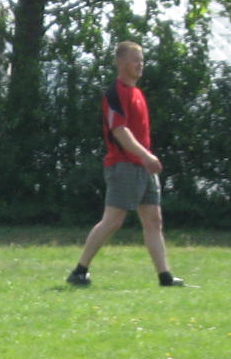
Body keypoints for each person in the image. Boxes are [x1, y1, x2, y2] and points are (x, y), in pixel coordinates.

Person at [65, 41, 184, 288]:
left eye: (142, 60)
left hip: (142, 166)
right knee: (113, 220)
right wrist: (146, 156)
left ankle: (165, 277)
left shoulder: (137, 93)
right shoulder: (115, 93)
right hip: (124, 166)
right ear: (120, 62)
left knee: (153, 220)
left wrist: (145, 159)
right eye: (135, 59)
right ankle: (79, 271)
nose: (140, 64)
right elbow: (120, 131)